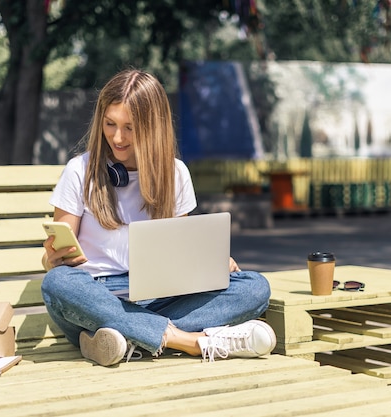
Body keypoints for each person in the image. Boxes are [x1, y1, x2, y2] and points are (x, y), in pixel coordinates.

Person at [41, 69, 275, 366]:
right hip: (95, 297)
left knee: (255, 287)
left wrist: (211, 265)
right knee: (58, 283)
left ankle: (122, 338)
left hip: (157, 296)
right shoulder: (80, 171)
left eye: (129, 127)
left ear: (152, 127)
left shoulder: (176, 174)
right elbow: (55, 262)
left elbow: (181, 259)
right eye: (110, 124)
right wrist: (51, 258)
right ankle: (188, 341)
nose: (117, 137)